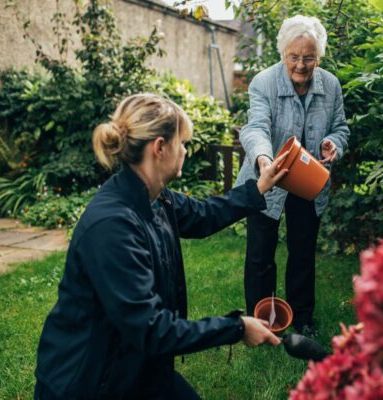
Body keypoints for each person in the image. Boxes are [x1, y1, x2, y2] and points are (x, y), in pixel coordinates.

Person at [34, 93, 287, 399]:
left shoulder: (155, 197)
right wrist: (236, 328)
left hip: (139, 364)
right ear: (160, 147)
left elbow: (204, 215)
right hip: (90, 381)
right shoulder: (112, 227)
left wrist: (260, 186)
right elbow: (151, 328)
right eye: (182, 142)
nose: (184, 150)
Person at [236, 15, 350, 336]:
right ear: (282, 53)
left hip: (307, 179)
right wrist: (262, 157)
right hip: (267, 177)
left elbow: (341, 127)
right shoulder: (263, 82)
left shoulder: (330, 85)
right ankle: (261, 323)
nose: (301, 65)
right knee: (260, 253)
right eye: (294, 57)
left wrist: (334, 143)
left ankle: (301, 319)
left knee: (302, 252)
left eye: (309, 57)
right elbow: (256, 127)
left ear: (320, 56)